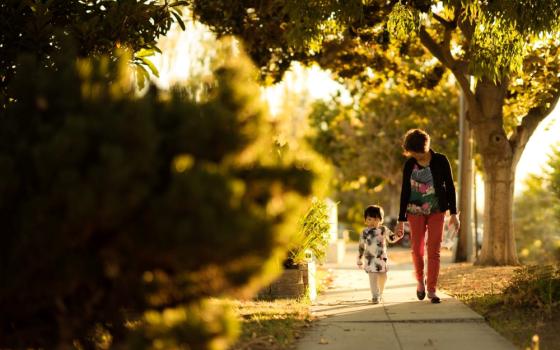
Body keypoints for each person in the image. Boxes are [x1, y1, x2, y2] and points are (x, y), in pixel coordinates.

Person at [396, 129, 460, 304]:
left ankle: (432, 288)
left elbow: (450, 187)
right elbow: (405, 191)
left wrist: (454, 213)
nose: (414, 156)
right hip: (414, 211)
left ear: (424, 148)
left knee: (434, 250)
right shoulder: (410, 164)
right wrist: (400, 220)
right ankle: (420, 281)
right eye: (411, 153)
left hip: (437, 210)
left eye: (416, 152)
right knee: (417, 249)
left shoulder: (441, 160)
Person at [357, 205, 403, 304]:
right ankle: (375, 296)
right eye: (369, 219)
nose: (372, 222)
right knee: (373, 277)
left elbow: (391, 238)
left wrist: (398, 236)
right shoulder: (364, 232)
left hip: (382, 259)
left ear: (381, 220)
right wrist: (359, 259)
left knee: (383, 277)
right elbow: (361, 246)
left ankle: (380, 293)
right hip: (370, 259)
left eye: (376, 219)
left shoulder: (383, 229)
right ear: (365, 220)